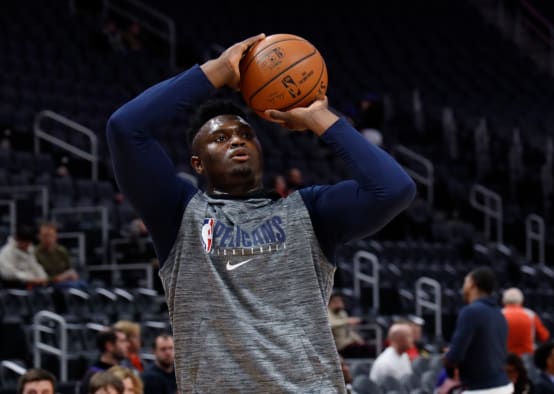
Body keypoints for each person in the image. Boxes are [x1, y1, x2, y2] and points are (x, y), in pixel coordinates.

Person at [106, 33, 415, 392]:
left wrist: (321, 119)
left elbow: (395, 189)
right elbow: (125, 128)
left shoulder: (310, 211)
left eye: (245, 134)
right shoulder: (178, 215)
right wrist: (217, 71)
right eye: (220, 139)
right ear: (197, 163)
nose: (236, 140)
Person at [444, 267, 512, 394]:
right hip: (504, 386)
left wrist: (447, 356)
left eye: (465, 283)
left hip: (482, 389)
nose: (463, 288)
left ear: (471, 284)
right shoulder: (499, 314)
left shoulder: (470, 311)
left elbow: (455, 356)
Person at [501, 287, 550, 355]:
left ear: (503, 301)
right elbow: (544, 336)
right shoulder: (530, 315)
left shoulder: (499, 315)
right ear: (522, 301)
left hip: (505, 357)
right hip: (527, 358)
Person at [80, 329, 129, 394]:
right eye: (122, 341)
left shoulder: (124, 371)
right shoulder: (93, 376)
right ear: (109, 346)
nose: (127, 345)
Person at [328, 293, 371, 358]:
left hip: (348, 343)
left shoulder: (342, 313)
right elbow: (330, 324)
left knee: (369, 348)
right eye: (335, 302)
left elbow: (348, 331)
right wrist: (347, 321)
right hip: (336, 346)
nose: (338, 304)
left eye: (340, 301)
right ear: (330, 303)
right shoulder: (327, 313)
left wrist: (358, 339)